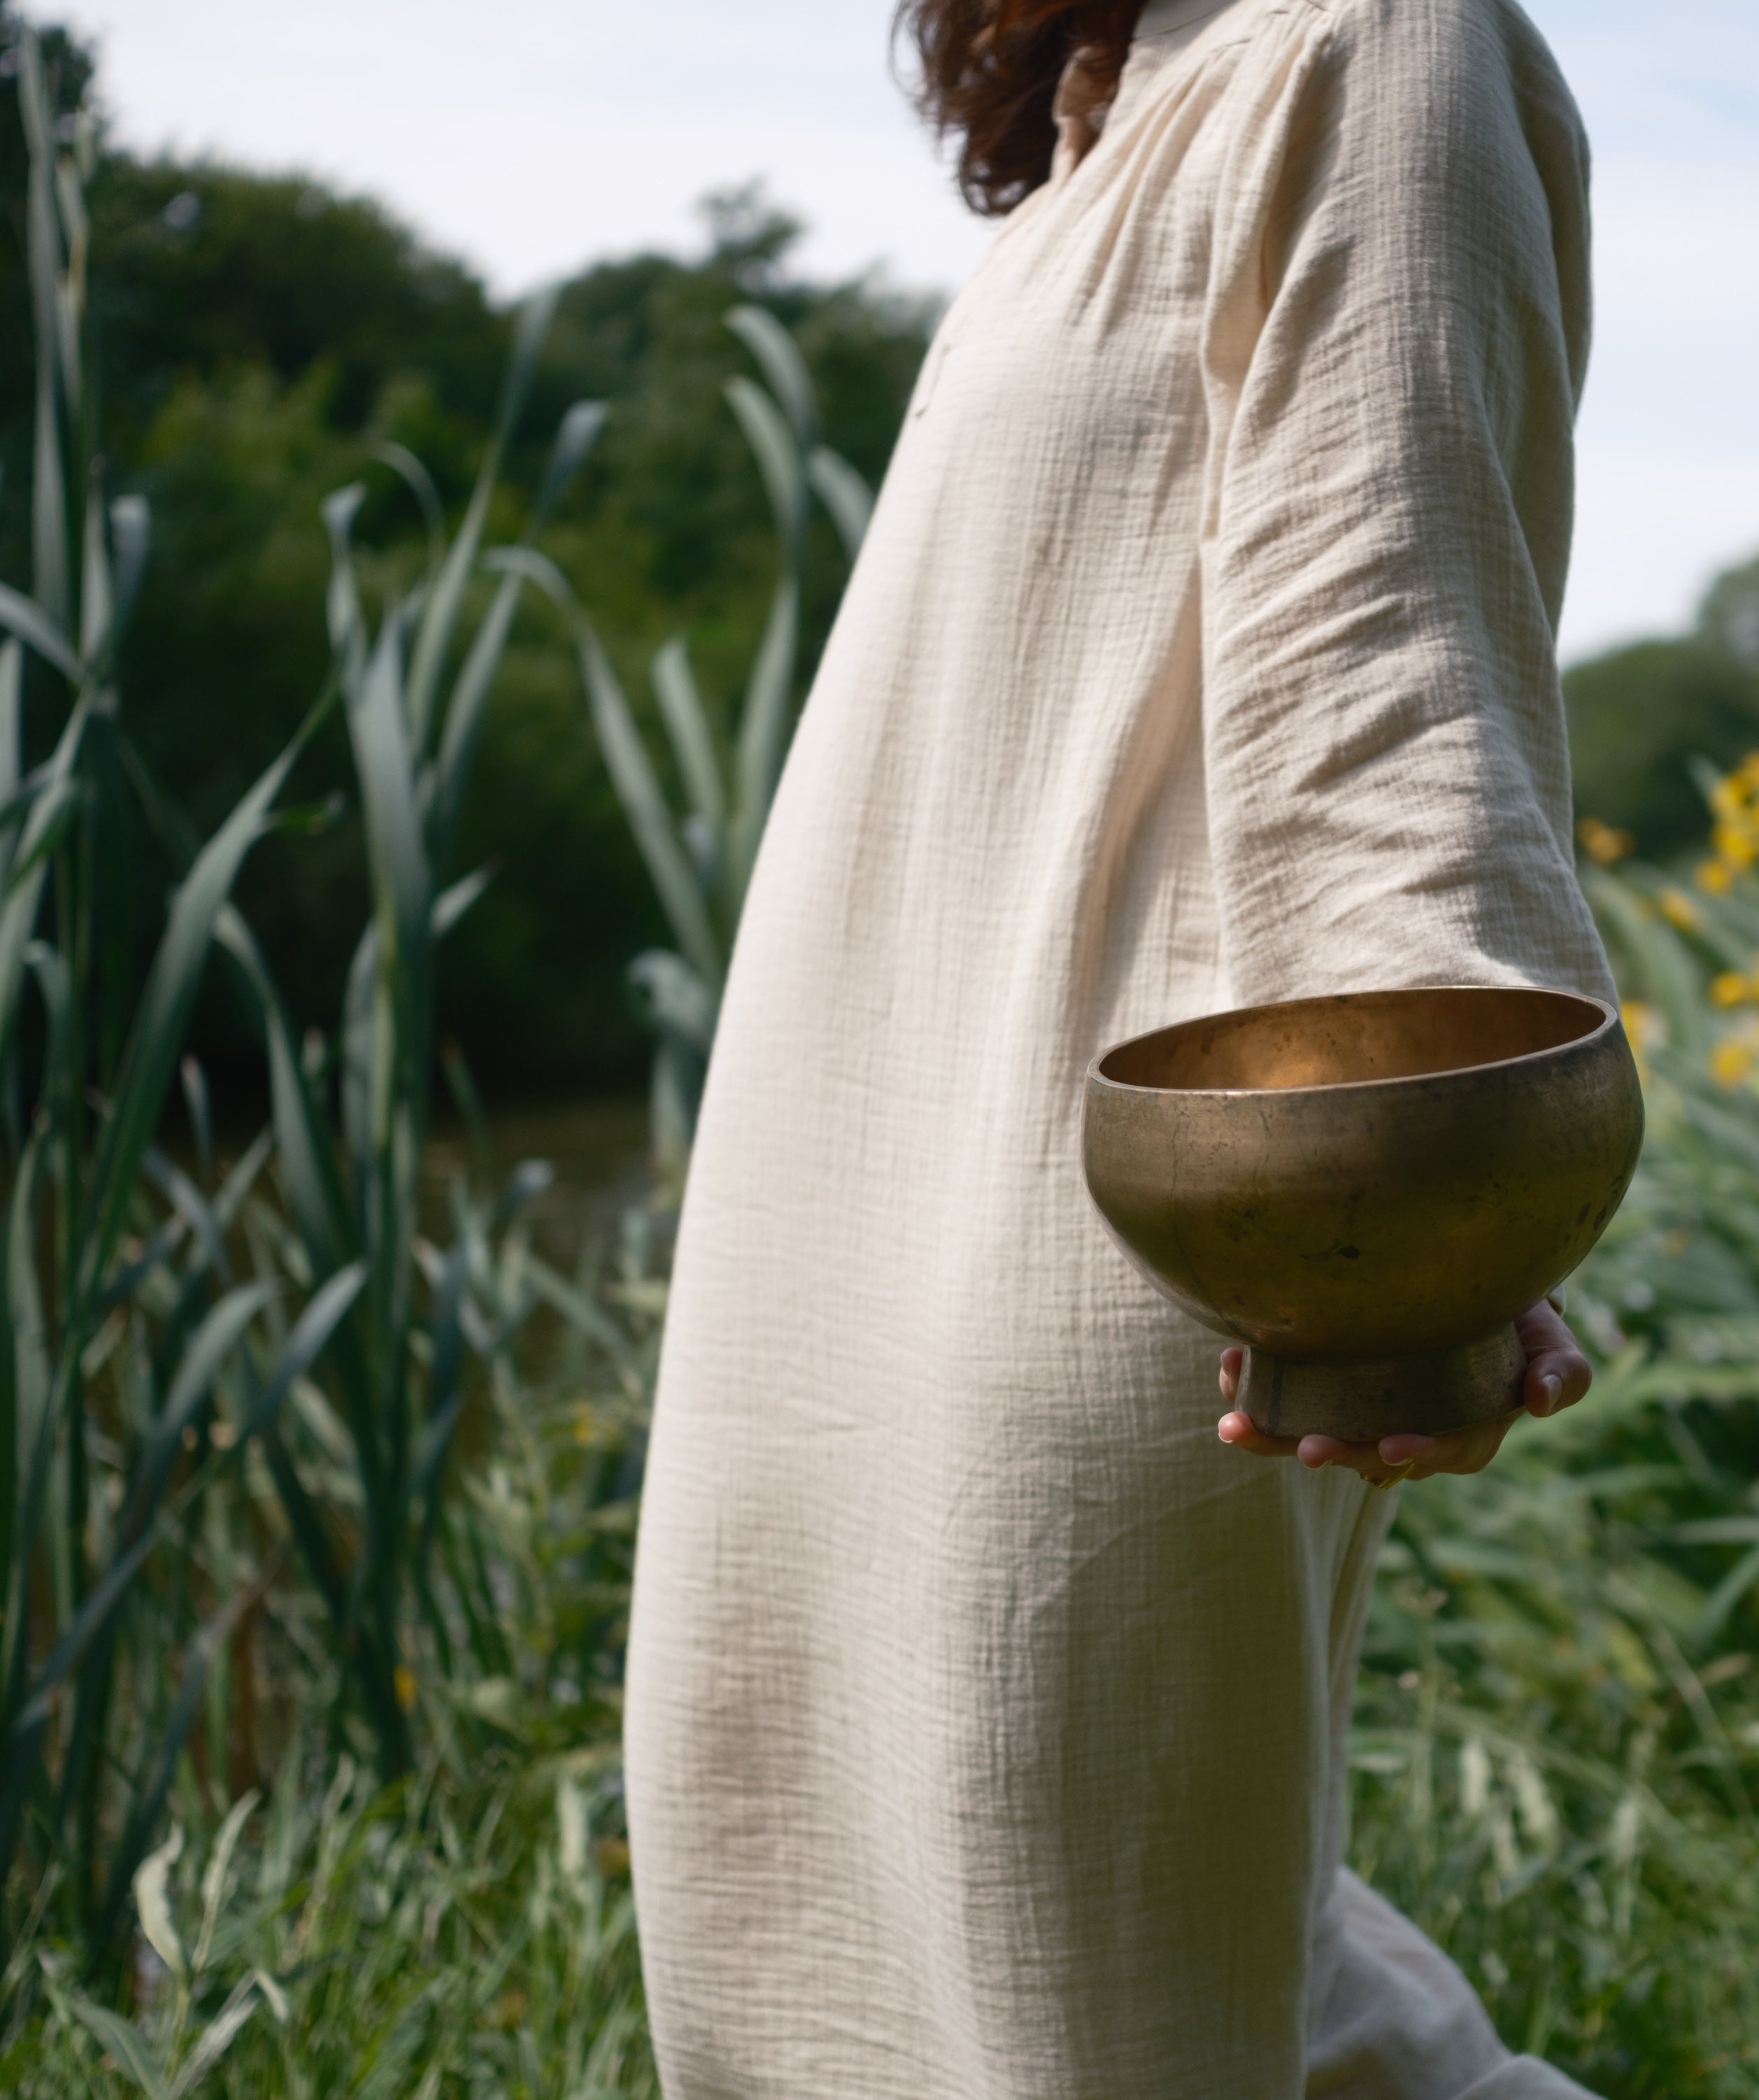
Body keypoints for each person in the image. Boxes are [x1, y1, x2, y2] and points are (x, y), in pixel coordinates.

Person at [625, 0, 1612, 2092]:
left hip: (1091, 1216)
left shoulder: (1368, 38)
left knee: (1094, 1982)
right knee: (829, 1894)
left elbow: (1379, 632)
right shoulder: (1115, 107)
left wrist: (1404, 1193)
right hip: (828, 1216)